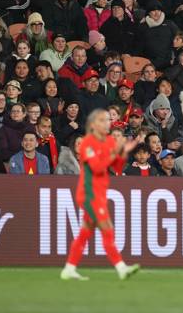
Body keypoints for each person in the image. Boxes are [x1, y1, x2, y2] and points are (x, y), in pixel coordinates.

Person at [60, 109, 140, 281]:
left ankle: (69, 268)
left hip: (100, 193)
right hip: (89, 194)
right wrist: (115, 151)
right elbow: (96, 168)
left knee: (85, 233)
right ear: (93, 125)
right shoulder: (88, 143)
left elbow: (117, 167)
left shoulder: (110, 141)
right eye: (103, 120)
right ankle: (121, 268)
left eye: (107, 120)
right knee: (107, 228)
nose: (107, 123)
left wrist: (124, 151)